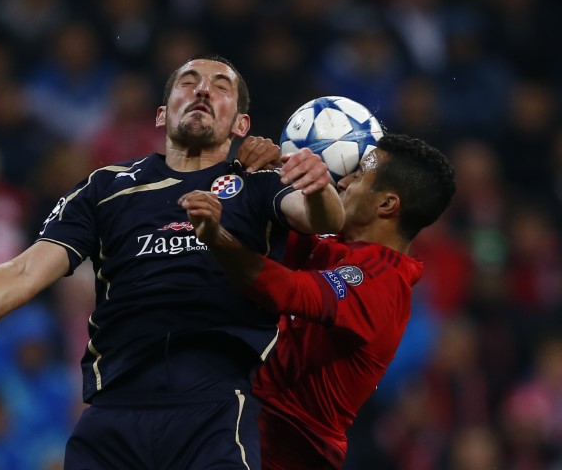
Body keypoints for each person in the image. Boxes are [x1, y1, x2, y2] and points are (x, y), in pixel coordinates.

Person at [0, 55, 345, 469]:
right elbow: (26, 270)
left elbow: (322, 217)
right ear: (162, 114)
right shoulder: (106, 188)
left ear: (240, 124)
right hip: (115, 414)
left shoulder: (261, 184)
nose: (203, 89)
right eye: (189, 81)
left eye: (220, 86)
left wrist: (319, 185)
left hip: (217, 405)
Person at [179, 133, 456, 470]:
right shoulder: (339, 246)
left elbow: (283, 290)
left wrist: (215, 237)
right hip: (239, 426)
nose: (345, 178)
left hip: (288, 450)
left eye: (360, 174)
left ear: (387, 205)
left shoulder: (384, 281)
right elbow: (267, 230)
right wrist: (266, 171)